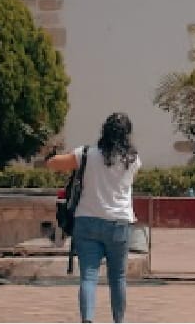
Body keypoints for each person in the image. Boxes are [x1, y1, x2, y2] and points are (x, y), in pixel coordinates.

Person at [46, 113, 141, 324]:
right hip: (119, 223)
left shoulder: (87, 154)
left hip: (87, 220)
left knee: (88, 276)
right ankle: (119, 321)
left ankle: (87, 320)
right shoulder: (133, 159)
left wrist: (50, 154)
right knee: (117, 278)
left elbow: (54, 164)